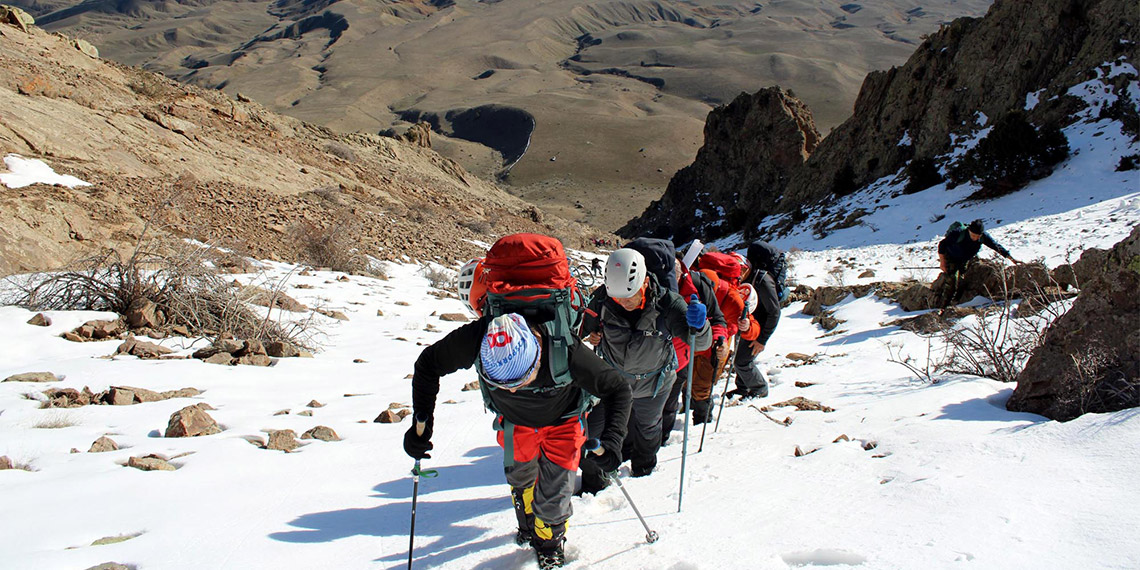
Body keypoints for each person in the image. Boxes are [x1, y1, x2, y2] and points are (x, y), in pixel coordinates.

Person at [402, 311, 632, 568]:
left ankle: (549, 543)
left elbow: (618, 388)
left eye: (521, 380)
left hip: (563, 424)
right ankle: (527, 525)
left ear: (537, 353)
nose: (511, 389)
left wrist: (613, 440)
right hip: (514, 425)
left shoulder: (565, 350)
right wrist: (421, 425)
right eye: (500, 383)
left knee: (555, 497)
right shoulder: (478, 336)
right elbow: (427, 365)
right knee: (520, 480)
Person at [580, 248, 709, 482]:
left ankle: (644, 471)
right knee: (594, 431)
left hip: (654, 384)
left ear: (646, 282)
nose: (624, 303)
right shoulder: (602, 299)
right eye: (618, 298)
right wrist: (592, 333)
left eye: (630, 297)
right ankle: (594, 480)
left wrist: (699, 327)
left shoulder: (669, 304)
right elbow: (582, 327)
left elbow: (700, 342)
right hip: (612, 383)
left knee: (648, 427)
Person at [730, 241, 783, 399]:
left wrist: (762, 339)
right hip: (749, 323)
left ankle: (760, 389)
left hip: (759, 328)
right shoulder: (750, 276)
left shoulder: (762, 281)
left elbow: (774, 312)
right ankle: (743, 388)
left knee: (742, 361)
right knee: (741, 356)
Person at [936, 219, 1022, 308]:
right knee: (952, 280)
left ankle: (956, 302)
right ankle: (943, 307)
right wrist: (943, 263)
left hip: (964, 259)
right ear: (969, 230)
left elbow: (996, 246)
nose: (975, 238)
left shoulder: (983, 237)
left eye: (978, 236)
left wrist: (1012, 259)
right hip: (951, 256)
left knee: (961, 279)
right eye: (973, 235)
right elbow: (942, 245)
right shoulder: (958, 233)